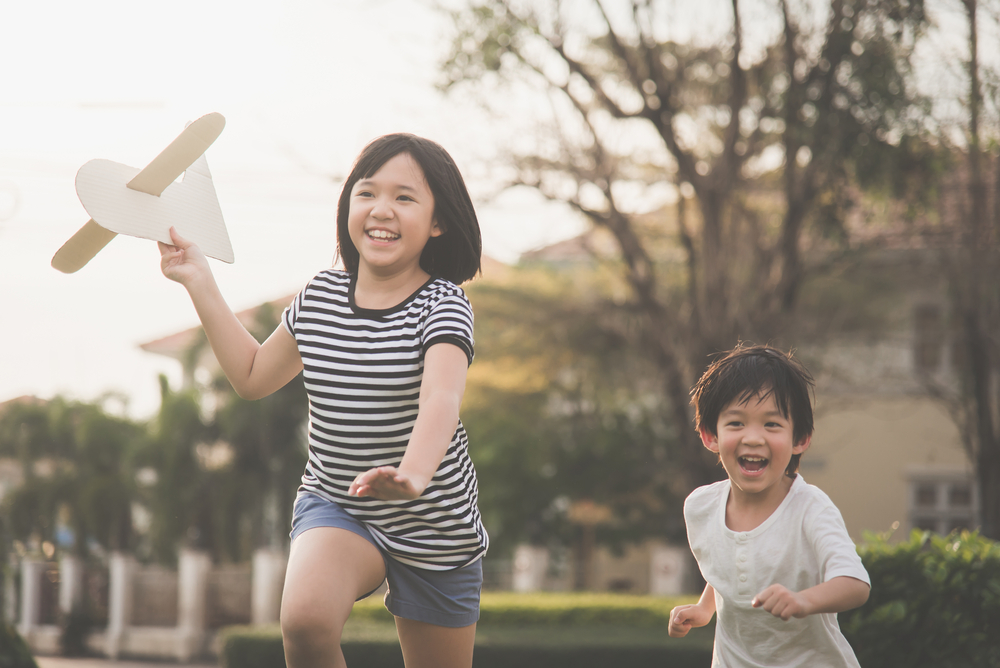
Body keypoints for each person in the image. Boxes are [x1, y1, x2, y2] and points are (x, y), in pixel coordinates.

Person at [158, 133, 488, 668]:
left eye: (405, 197)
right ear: (348, 206)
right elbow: (251, 375)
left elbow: (441, 400)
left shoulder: (443, 305)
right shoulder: (320, 296)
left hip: (433, 520)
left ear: (437, 221)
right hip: (340, 503)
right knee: (306, 621)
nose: (382, 209)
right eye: (367, 193)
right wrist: (199, 279)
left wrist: (412, 476)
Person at [668, 344, 870, 667]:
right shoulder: (700, 507)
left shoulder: (810, 509)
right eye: (736, 423)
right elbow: (726, 562)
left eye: (772, 424)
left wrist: (804, 601)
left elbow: (855, 584)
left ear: (800, 439)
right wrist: (704, 609)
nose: (753, 438)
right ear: (710, 436)